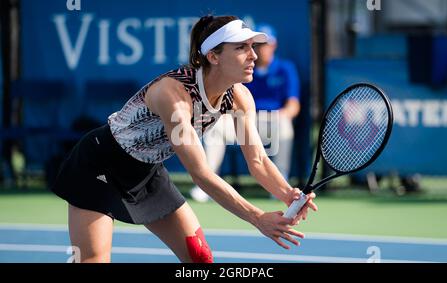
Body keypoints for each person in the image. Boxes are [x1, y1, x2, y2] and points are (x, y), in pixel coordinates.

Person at [50, 15, 317, 263]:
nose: (254, 56)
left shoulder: (240, 97)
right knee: (94, 259)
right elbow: (201, 174)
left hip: (145, 172)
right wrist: (257, 217)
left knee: (199, 258)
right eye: (241, 48)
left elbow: (257, 160)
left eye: (253, 46)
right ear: (213, 56)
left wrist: (287, 193)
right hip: (99, 164)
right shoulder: (174, 96)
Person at [190, 23, 302, 202]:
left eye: (263, 45)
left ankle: (280, 183)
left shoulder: (285, 68)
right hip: (243, 119)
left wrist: (279, 116)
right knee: (216, 125)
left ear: (274, 46)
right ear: (212, 57)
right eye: (251, 47)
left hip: (272, 120)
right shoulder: (241, 70)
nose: (256, 53)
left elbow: (293, 106)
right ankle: (207, 183)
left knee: (283, 125)